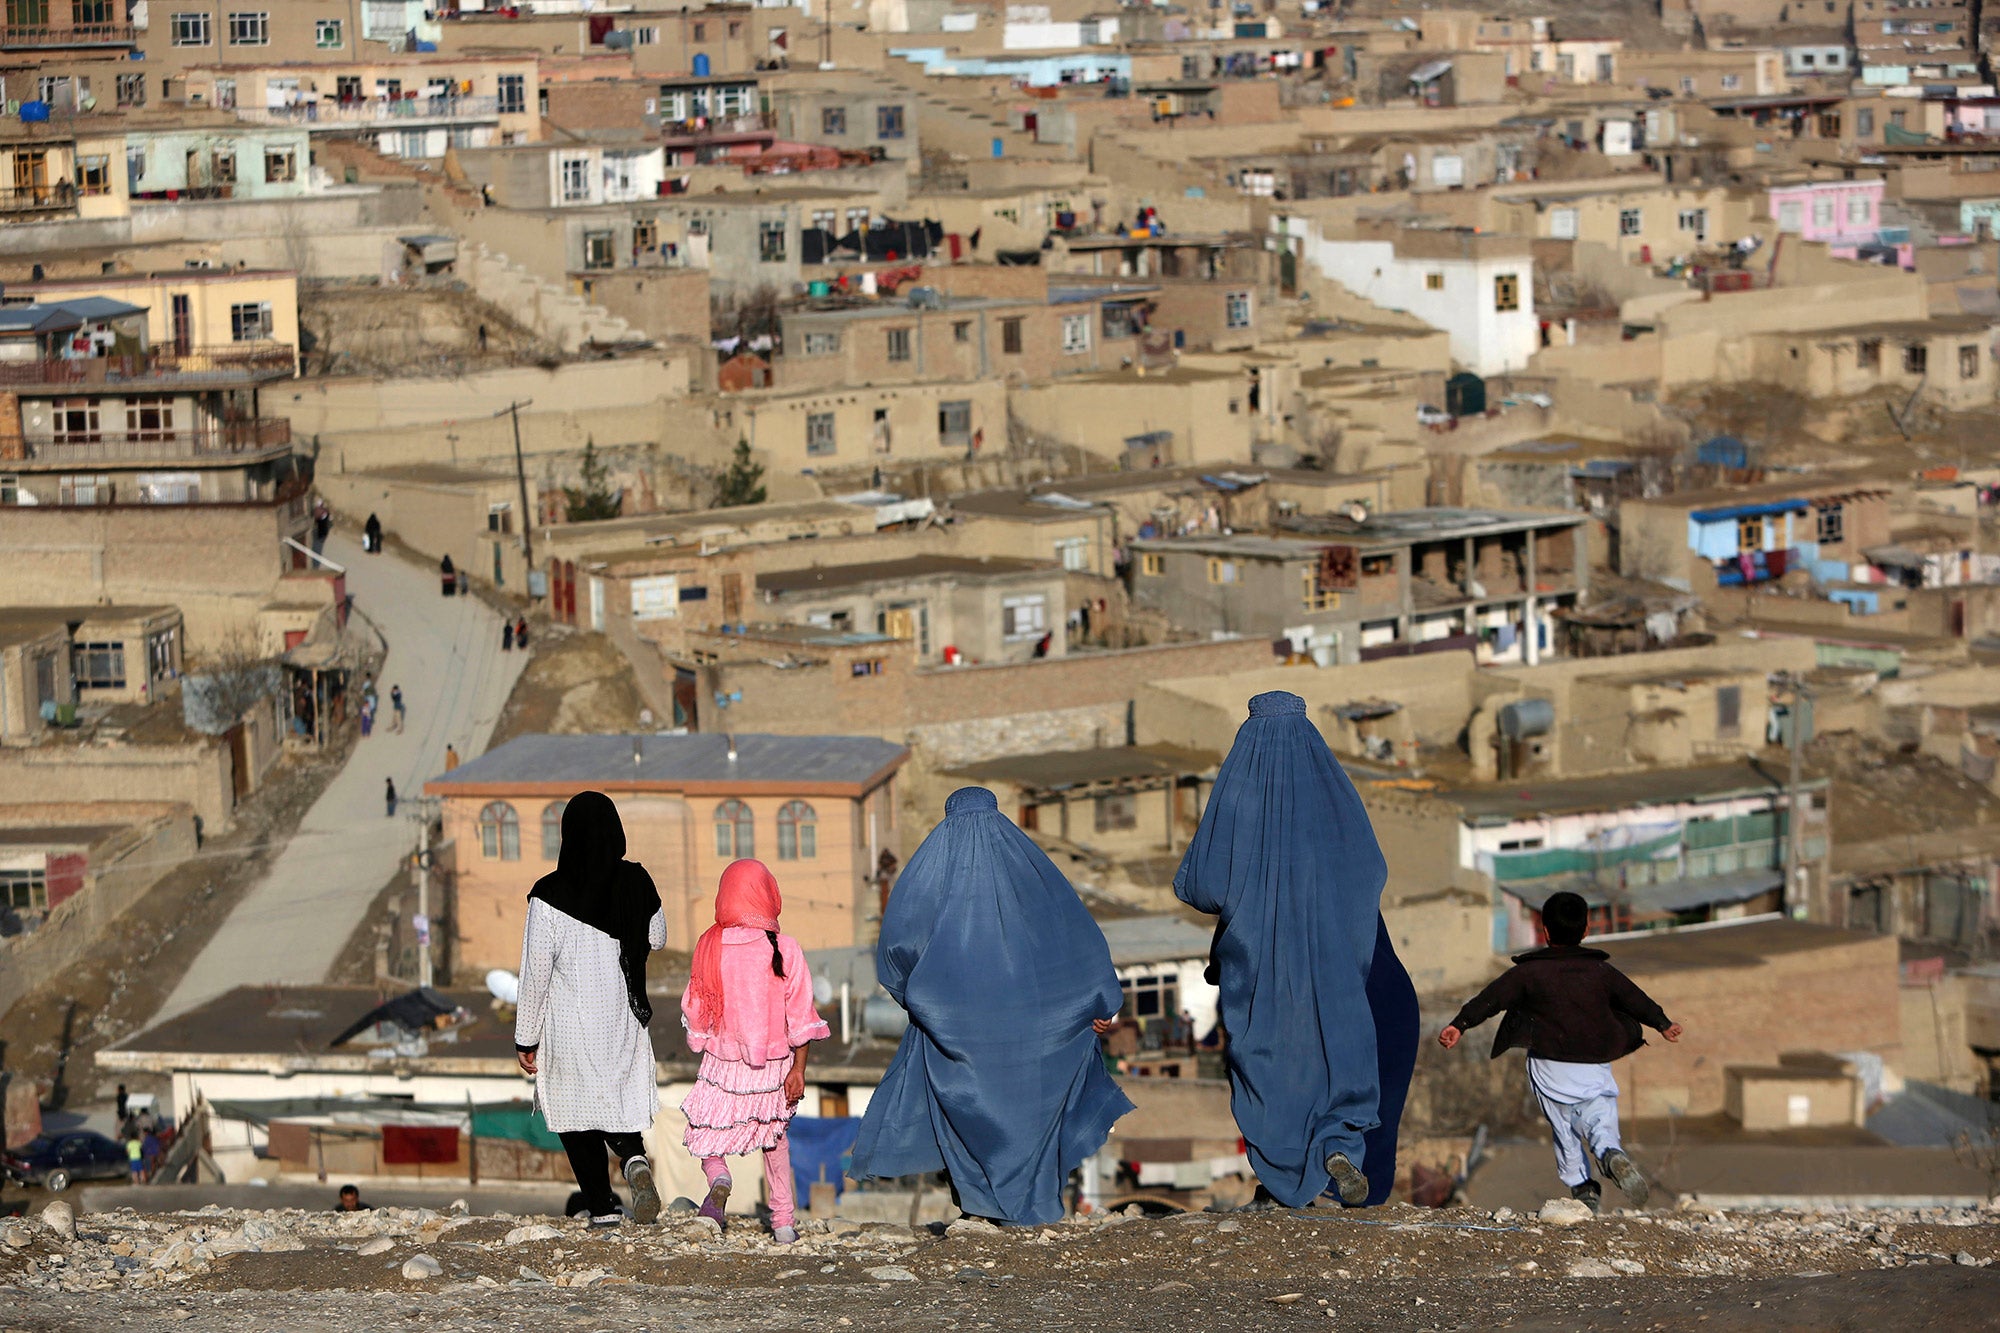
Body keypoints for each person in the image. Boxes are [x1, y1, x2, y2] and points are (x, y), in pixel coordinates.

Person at [849, 786, 1132, 1226]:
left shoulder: (928, 874)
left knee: (967, 1118)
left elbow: (896, 950)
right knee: (1030, 1119)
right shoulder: (1033, 873)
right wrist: (1099, 1004)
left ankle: (979, 1207)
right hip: (1032, 1037)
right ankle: (1033, 1208)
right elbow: (1077, 943)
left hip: (955, 1035)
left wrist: (924, 1006)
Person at [1173, 691, 1406, 1209]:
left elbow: (1204, 883)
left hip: (1262, 960)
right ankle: (1338, 1150)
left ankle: (1286, 1174)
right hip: (1339, 961)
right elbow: (1370, 871)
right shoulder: (1333, 790)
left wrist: (1253, 896)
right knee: (1337, 1050)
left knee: (1272, 1063)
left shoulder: (1242, 788)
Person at [1440, 890, 1681, 1213]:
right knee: (1599, 1112)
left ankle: (1582, 1186)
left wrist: (1460, 1023)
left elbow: (1492, 999)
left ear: (1546, 932)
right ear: (1586, 931)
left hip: (1548, 1064)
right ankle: (1610, 1152)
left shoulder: (1528, 973)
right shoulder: (1601, 972)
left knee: (1564, 1127)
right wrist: (1662, 1023)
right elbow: (1633, 998)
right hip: (1594, 1061)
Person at [515, 792, 668, 1228]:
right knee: (615, 1101)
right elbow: (657, 936)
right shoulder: (637, 881)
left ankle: (602, 1208)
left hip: (568, 1026)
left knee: (576, 1115)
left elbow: (535, 974)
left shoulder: (548, 895)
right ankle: (635, 1159)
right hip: (621, 1019)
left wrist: (526, 1037)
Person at [678, 859, 830, 1244]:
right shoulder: (785, 948)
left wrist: (699, 1039)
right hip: (775, 1065)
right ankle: (783, 1224)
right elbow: (801, 1015)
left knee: (704, 1133)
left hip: (723, 1064)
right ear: (768, 893)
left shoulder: (710, 946)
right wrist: (799, 1070)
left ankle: (720, 1178)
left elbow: (695, 1006)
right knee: (775, 1141)